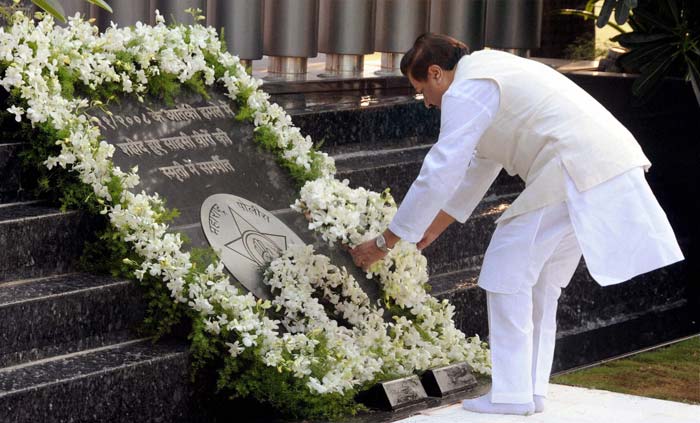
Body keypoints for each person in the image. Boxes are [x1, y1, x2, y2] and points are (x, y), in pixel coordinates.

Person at [349, 33, 684, 416]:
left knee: (506, 270)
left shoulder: (467, 88)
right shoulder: (491, 69)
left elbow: (442, 167)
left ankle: (511, 395)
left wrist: (386, 240)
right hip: (597, 163)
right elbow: (482, 164)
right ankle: (529, 390)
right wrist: (435, 225)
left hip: (572, 166)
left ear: (437, 73)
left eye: (421, 89)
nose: (426, 102)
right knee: (541, 283)